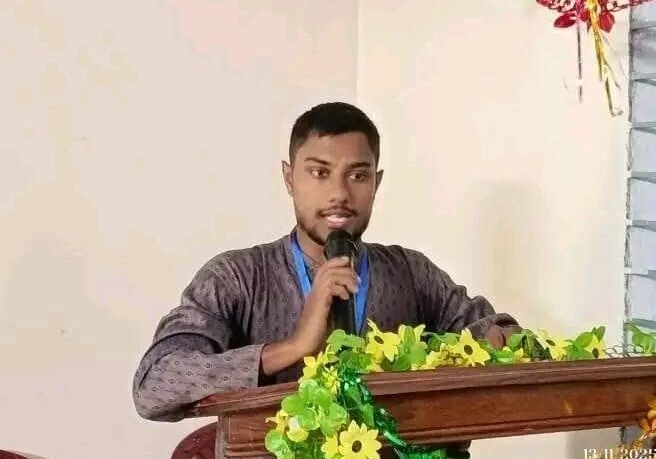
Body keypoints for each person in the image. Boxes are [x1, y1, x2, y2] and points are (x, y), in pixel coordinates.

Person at [132, 102, 520, 424]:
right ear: (289, 179)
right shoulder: (236, 277)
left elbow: (492, 330)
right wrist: (292, 347)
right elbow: (153, 385)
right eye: (319, 172)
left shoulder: (410, 272)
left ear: (377, 183)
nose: (339, 193)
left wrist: (497, 341)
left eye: (358, 175)